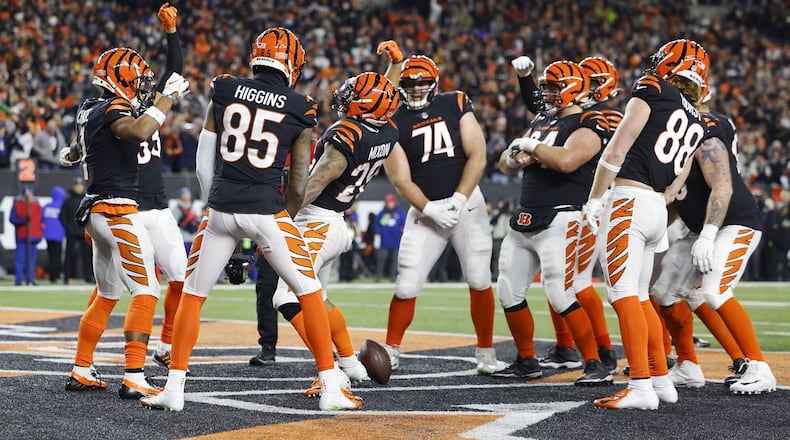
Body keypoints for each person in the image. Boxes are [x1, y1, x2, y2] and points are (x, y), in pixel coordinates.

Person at [140, 26, 361, 412]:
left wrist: (212, 204)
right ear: (291, 65)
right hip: (266, 210)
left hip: (221, 208)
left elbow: (204, 158)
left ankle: (174, 388)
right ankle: (330, 385)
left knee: (193, 295)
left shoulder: (224, 88)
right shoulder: (301, 106)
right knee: (308, 292)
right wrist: (283, 222)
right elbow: (298, 183)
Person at [59, 3, 190, 398]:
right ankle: (134, 375)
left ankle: (82, 367)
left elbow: (80, 148)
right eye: (138, 81)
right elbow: (136, 131)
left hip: (96, 211)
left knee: (107, 294)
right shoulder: (117, 107)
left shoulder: (88, 108)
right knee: (146, 291)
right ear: (121, 80)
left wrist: (73, 153)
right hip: (117, 210)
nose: (142, 88)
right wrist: (166, 101)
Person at [583, 39, 709, 409]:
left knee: (623, 294)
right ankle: (660, 381)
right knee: (640, 297)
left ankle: (640, 386)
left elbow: (617, 148)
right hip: (655, 205)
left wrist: (595, 198)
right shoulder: (698, 118)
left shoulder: (653, 88)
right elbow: (678, 181)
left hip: (629, 199)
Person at [271, 68, 401, 396]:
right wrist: (395, 67)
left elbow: (314, 184)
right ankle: (350, 364)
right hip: (333, 221)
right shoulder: (388, 131)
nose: (347, 95)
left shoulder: (347, 135)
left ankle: (330, 369)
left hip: (315, 222)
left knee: (286, 297)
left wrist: (280, 221)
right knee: (319, 299)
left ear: (369, 105)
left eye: (356, 94)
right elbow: (385, 96)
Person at [493, 60, 613, 386]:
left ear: (573, 88)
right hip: (526, 214)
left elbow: (566, 161)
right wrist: (516, 154)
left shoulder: (589, 121)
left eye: (552, 88)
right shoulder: (542, 120)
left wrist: (531, 146)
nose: (545, 93)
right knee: (508, 291)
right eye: (545, 87)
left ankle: (595, 362)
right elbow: (505, 164)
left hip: (563, 215)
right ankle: (526, 359)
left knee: (560, 293)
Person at [654, 81, 776, 394]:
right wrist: (656, 228)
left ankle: (758, 367)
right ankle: (687, 365)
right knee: (664, 293)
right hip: (698, 227)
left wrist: (708, 235)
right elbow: (681, 197)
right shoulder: (682, 135)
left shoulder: (706, 129)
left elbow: (721, 185)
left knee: (715, 290)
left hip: (734, 224)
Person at [382, 53, 500, 375]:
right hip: (426, 211)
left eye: (422, 83)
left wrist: (459, 199)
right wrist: (430, 208)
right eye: (409, 84)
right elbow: (400, 178)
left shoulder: (455, 102)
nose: (416, 89)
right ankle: (391, 349)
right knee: (406, 284)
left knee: (479, 279)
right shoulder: (393, 120)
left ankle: (486, 352)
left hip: (468, 206)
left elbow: (478, 155)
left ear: (434, 83)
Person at [59, 177, 93, 284]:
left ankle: (88, 277)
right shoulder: (68, 200)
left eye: (80, 186)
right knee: (69, 255)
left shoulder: (87, 200)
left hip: (84, 232)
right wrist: (68, 228)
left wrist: (88, 228)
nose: (79, 188)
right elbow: (62, 216)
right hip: (72, 233)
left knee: (88, 255)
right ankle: (67, 277)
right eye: (77, 186)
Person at [9, 187, 43, 285]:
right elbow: (12, 219)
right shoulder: (17, 205)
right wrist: (23, 220)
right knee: (20, 259)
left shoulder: (37, 206)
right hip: (22, 236)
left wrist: (40, 232)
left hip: (34, 236)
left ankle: (30, 278)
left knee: (31, 260)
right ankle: (19, 280)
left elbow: (41, 220)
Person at [375, 193, 405, 282]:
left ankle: (393, 276)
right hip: (384, 242)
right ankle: (378, 276)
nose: (389, 204)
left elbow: (403, 226)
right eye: (387, 202)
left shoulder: (400, 213)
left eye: (390, 202)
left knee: (394, 261)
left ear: (394, 202)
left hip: (396, 242)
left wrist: (400, 233)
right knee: (381, 260)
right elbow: (377, 225)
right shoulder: (382, 213)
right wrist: (381, 232)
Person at [42, 186, 66, 283]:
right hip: (59, 235)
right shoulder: (62, 206)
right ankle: (55, 276)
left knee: (51, 256)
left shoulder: (46, 206)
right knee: (57, 256)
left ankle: (52, 276)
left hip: (48, 235)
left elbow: (42, 220)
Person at [173, 186, 200, 254]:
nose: (186, 196)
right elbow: (174, 224)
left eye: (187, 194)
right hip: (183, 238)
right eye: (184, 194)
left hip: (194, 238)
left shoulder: (194, 207)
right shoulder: (177, 209)